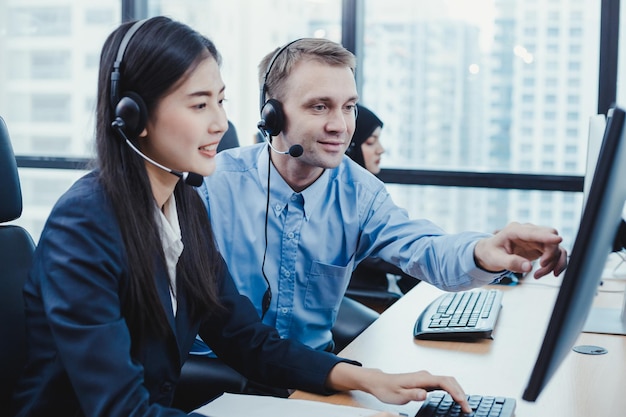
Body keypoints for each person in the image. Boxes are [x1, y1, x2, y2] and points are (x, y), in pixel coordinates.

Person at [9, 18, 475, 416]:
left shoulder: (183, 203)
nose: (219, 124)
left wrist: (365, 379)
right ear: (135, 117)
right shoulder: (85, 223)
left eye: (220, 101)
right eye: (198, 104)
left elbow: (241, 336)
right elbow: (120, 408)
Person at [197, 37, 567, 353]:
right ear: (271, 115)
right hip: (217, 372)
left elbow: (424, 249)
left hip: (313, 376)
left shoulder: (360, 193)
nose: (340, 126)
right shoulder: (212, 186)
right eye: (320, 106)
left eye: (349, 107)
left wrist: (484, 252)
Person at [345, 104, 419, 306]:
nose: (381, 149)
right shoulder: (348, 202)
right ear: (349, 148)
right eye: (370, 142)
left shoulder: (367, 193)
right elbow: (387, 251)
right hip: (366, 308)